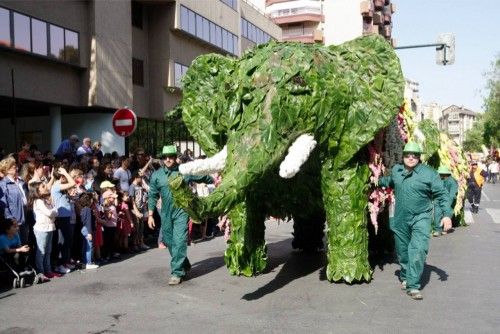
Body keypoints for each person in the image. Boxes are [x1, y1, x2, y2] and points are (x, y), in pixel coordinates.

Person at [378, 142, 452, 300]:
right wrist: (374, 182)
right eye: (407, 155)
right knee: (402, 252)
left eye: (415, 155)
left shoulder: (429, 173)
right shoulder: (397, 171)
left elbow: (441, 195)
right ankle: (405, 275)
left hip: (421, 217)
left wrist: (446, 214)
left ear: (419, 157)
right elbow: (389, 181)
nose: (411, 158)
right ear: (403, 156)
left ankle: (413, 286)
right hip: (400, 218)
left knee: (418, 250)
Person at [147, 145, 213, 285]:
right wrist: (151, 215)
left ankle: (176, 272)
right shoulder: (157, 175)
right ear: (163, 158)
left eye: (171, 156)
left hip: (181, 211)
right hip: (165, 212)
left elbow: (201, 177)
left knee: (180, 240)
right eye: (165, 157)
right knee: (169, 240)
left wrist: (216, 180)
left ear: (175, 157)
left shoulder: (184, 171)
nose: (168, 159)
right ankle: (184, 263)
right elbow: (152, 195)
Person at [29, 181, 60, 281]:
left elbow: (55, 212)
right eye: (43, 186)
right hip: (42, 229)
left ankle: (48, 270)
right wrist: (54, 212)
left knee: (48, 250)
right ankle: (40, 272)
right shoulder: (38, 201)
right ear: (37, 190)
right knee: (41, 251)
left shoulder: (45, 200)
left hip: (50, 227)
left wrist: (53, 211)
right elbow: (50, 213)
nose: (45, 187)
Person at [50, 166, 76, 274]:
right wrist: (65, 172)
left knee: (68, 240)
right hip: (61, 217)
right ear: (61, 176)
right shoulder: (56, 185)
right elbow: (73, 183)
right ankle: (59, 264)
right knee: (62, 241)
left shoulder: (59, 186)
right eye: (64, 176)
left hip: (65, 216)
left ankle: (65, 261)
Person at [0, 157, 29, 244]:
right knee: (16, 246)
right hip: (14, 221)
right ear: (7, 170)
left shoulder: (20, 181)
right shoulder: (3, 184)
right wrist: (11, 220)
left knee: (25, 243)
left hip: (24, 217)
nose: (16, 168)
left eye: (16, 165)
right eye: (13, 166)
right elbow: (3, 205)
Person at [432, 166, 458, 237]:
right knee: (437, 213)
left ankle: (445, 229)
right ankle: (437, 230)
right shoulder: (440, 180)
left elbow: (452, 194)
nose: (439, 175)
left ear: (444, 174)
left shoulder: (452, 182)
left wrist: (448, 203)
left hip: (448, 200)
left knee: (446, 214)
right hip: (438, 199)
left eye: (440, 174)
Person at [79, 192, 99, 269]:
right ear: (89, 201)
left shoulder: (83, 209)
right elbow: (88, 222)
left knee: (85, 246)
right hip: (87, 229)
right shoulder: (88, 210)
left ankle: (85, 261)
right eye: (91, 199)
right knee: (89, 247)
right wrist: (89, 233)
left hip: (84, 229)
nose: (92, 201)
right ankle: (88, 263)